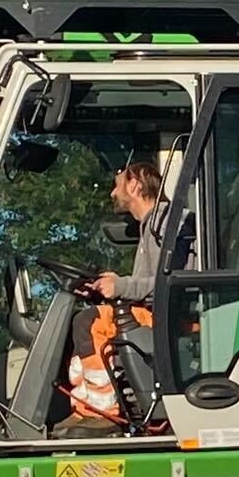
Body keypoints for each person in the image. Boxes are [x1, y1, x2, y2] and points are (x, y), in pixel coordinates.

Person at [59, 147, 177, 428]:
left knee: (89, 322)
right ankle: (84, 406)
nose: (113, 194)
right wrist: (113, 284)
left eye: (117, 186)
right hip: (155, 311)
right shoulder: (152, 224)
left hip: (168, 317)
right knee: (84, 323)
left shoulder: (165, 222)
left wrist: (121, 286)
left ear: (135, 184)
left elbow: (170, 281)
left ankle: (101, 413)